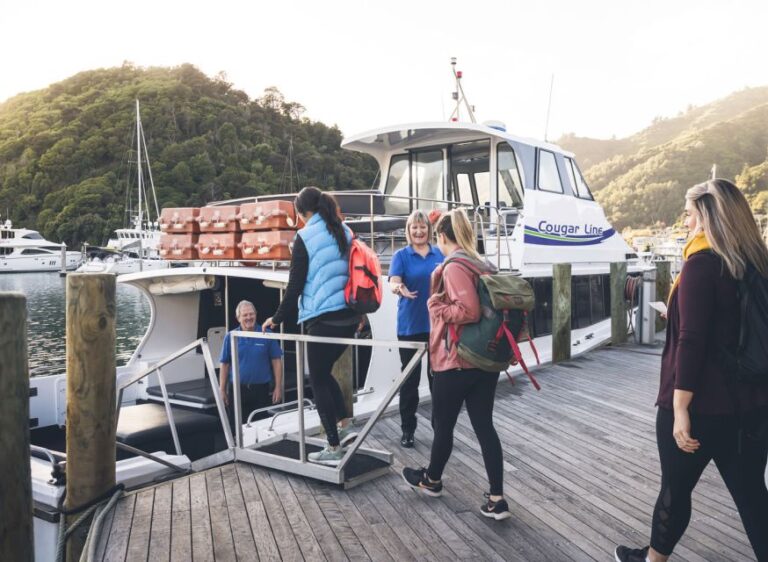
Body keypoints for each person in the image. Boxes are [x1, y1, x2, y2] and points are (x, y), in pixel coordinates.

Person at [615, 179, 768, 562]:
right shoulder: (755, 263)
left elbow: (693, 340)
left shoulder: (701, 265)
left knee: (675, 489)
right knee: (753, 497)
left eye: (688, 215)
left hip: (700, 405)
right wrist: (680, 312)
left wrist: (680, 407)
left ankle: (652, 561)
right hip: (750, 404)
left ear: (707, 217)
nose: (685, 223)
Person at [401, 208, 512, 521]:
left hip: (457, 360)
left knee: (444, 425)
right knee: (484, 426)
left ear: (442, 236)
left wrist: (436, 306)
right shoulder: (482, 263)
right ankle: (496, 498)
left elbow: (469, 311)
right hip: (484, 359)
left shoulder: (454, 267)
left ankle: (432, 480)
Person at [262, 186, 360, 466]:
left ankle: (333, 445)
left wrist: (277, 318)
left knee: (316, 380)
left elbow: (294, 288)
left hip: (324, 319)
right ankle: (346, 423)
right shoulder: (344, 230)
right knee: (324, 372)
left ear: (300, 212)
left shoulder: (304, 237)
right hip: (350, 319)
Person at [389, 209, 443, 447]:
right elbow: (393, 281)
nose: (419, 231)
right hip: (410, 326)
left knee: (438, 381)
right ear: (408, 231)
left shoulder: (439, 253)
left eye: (422, 227)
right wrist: (399, 289)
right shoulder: (401, 255)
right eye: (414, 227)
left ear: (429, 230)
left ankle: (440, 430)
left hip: (437, 325)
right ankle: (407, 430)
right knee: (410, 382)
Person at [219, 300, 283, 428]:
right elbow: (224, 364)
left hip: (261, 390)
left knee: (261, 428)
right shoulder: (230, 337)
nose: (249, 317)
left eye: (251, 314)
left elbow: (276, 361)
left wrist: (278, 386)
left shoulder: (267, 334)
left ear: (256, 315)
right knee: (236, 428)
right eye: (245, 315)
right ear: (238, 318)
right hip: (237, 390)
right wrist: (222, 389)